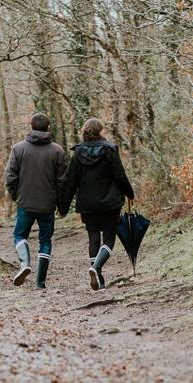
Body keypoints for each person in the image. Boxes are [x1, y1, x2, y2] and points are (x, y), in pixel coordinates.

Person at [57, 118, 135, 291]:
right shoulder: (110, 150)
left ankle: (98, 279)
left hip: (87, 204)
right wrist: (130, 194)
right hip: (110, 203)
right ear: (101, 132)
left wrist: (63, 207)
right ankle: (96, 268)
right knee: (109, 238)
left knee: (93, 239)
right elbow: (120, 176)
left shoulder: (78, 153)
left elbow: (71, 183)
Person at [4, 112, 68, 288]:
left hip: (25, 202)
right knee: (45, 240)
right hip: (47, 205)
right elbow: (62, 181)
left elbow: (10, 176)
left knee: (19, 235)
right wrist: (62, 206)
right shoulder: (57, 151)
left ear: (31, 127)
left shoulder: (19, 149)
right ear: (48, 128)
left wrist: (15, 196)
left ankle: (25, 264)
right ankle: (40, 282)